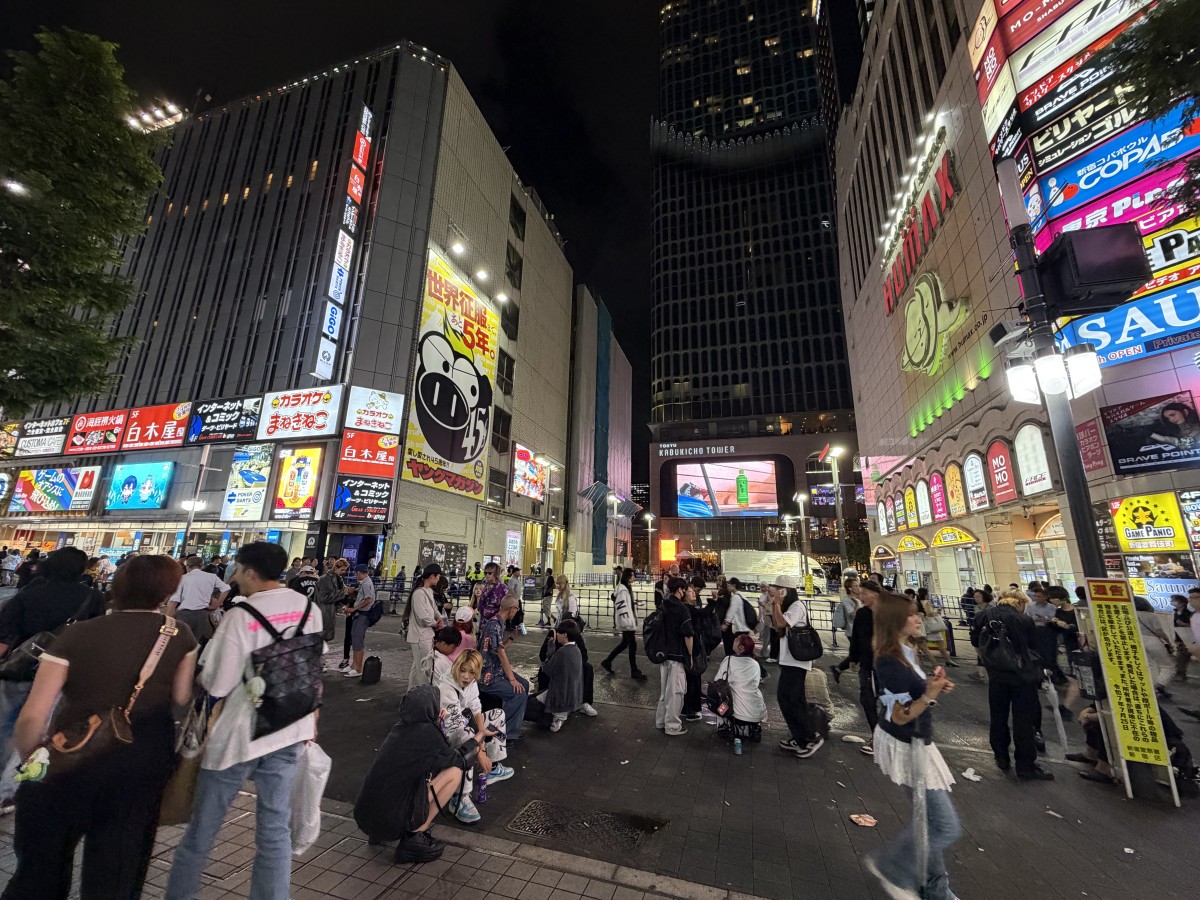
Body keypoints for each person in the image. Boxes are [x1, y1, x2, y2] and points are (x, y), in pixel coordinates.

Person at [0, 555, 198, 900]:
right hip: (141, 763)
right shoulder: (180, 634)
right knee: (117, 873)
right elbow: (182, 695)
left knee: (39, 872)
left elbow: (34, 715)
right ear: (167, 592)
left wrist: (34, 764)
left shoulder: (77, 633)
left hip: (67, 761)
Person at [165, 541, 325, 900]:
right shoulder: (308, 610)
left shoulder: (242, 615)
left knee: (201, 831)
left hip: (238, 736)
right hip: (289, 729)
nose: (234, 578)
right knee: (274, 829)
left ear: (251, 572)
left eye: (237, 571)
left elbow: (217, 683)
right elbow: (314, 665)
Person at [864, 591, 962, 900]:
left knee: (928, 824)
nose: (918, 618)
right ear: (896, 621)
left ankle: (936, 891)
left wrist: (931, 687)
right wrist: (929, 694)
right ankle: (892, 868)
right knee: (944, 826)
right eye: (911, 614)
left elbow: (914, 696)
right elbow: (901, 716)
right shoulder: (890, 661)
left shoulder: (905, 652)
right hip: (908, 746)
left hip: (917, 744)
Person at [0, 547, 107, 812]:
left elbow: (3, 640)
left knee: (4, 728)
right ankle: (14, 789)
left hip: (18, 671)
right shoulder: (92, 598)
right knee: (43, 730)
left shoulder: (27, 595)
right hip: (62, 676)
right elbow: (95, 641)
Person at [353, 685, 475, 864]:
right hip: (391, 821)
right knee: (454, 773)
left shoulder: (399, 728)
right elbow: (459, 760)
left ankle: (380, 833)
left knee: (406, 779)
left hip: (365, 818)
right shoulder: (428, 733)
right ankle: (415, 837)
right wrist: (476, 743)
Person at [971, 588, 1053, 780]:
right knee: (1023, 720)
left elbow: (976, 641)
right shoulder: (1022, 620)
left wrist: (989, 662)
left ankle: (1001, 756)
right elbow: (1034, 648)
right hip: (1023, 676)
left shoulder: (983, 616)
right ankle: (1025, 766)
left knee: (998, 716)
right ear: (1018, 602)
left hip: (997, 676)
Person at [432, 646, 514, 822]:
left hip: (462, 725)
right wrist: (479, 749)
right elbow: (458, 727)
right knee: (468, 739)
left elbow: (476, 708)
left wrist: (482, 746)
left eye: (471, 672)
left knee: (497, 715)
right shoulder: (446, 688)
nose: (466, 676)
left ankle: (491, 769)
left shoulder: (471, 683)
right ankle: (459, 797)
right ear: (457, 668)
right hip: (445, 734)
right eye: (463, 670)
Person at [771, 574, 822, 758]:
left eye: (777, 589)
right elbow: (778, 628)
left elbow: (781, 623)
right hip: (789, 660)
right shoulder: (788, 606)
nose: (774, 592)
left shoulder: (797, 606)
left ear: (784, 591)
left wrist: (776, 604)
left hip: (796, 661)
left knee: (788, 698)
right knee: (793, 699)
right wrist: (775, 605)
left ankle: (810, 737)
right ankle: (799, 736)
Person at [478, 595, 529, 741]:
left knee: (524, 684)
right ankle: (508, 734)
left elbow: (498, 648)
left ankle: (515, 720)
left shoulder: (499, 623)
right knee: (517, 693)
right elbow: (501, 654)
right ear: (512, 609)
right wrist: (512, 679)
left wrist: (512, 638)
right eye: (517, 609)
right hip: (489, 675)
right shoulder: (494, 625)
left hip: (496, 669)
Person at [654, 577, 695, 737]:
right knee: (676, 692)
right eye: (684, 589)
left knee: (664, 691)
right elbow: (688, 634)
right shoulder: (681, 608)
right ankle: (672, 726)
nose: (685, 592)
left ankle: (661, 721)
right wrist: (690, 655)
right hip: (677, 654)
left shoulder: (664, 604)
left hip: (664, 653)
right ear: (679, 589)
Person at [167, 554, 231, 645]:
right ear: (202, 566)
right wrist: (217, 604)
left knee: (180, 645)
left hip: (184, 615)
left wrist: (168, 619)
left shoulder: (183, 578)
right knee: (198, 646)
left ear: (187, 567)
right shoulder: (212, 577)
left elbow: (173, 600)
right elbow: (226, 588)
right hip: (204, 615)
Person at [713, 634, 766, 740]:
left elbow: (717, 681)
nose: (734, 640)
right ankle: (756, 727)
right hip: (757, 710)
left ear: (741, 647)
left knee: (720, 702)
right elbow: (755, 683)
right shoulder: (755, 664)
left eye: (736, 640)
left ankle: (723, 726)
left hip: (735, 709)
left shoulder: (729, 660)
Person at [537, 620, 586, 732]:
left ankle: (558, 717)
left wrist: (550, 652)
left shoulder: (562, 652)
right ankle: (561, 715)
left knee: (530, 705)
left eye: (558, 632)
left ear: (565, 635)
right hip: (572, 695)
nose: (557, 635)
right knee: (534, 698)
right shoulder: (576, 649)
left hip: (561, 694)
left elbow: (547, 670)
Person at [602, 566, 646, 679]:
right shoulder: (623, 590)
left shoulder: (626, 588)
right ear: (628, 577)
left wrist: (634, 603)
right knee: (632, 645)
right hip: (627, 622)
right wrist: (627, 622)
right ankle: (634, 671)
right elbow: (622, 606)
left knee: (624, 644)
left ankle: (607, 661)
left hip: (628, 620)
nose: (634, 578)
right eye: (633, 576)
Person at [406, 564, 445, 687]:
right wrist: (435, 623)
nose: (439, 579)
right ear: (432, 576)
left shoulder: (428, 591)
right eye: (438, 576)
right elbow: (422, 616)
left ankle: (411, 693)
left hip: (426, 635)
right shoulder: (419, 593)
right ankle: (422, 696)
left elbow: (433, 609)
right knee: (424, 668)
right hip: (419, 636)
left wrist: (440, 618)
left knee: (417, 666)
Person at [681, 578, 710, 723]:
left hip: (694, 646)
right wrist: (691, 654)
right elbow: (689, 633)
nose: (694, 593)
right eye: (691, 591)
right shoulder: (687, 609)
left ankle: (688, 708)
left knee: (693, 678)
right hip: (691, 648)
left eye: (694, 591)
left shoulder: (689, 607)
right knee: (692, 678)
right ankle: (690, 710)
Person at [1025, 583, 1064, 683]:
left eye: (1040, 596)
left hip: (1048, 631)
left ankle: (1054, 676)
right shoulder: (1030, 606)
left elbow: (1052, 619)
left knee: (1050, 654)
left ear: (1045, 597)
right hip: (1035, 631)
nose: (1037, 598)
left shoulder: (1051, 607)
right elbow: (1027, 617)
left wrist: (1044, 619)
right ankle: (1041, 676)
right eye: (1036, 596)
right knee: (1038, 654)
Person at [831, 575, 862, 679]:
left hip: (861, 630)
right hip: (852, 631)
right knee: (857, 654)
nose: (858, 588)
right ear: (850, 588)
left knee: (857, 654)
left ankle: (838, 668)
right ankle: (838, 668)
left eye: (858, 585)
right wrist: (857, 605)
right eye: (856, 586)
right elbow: (852, 616)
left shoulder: (860, 598)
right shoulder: (847, 600)